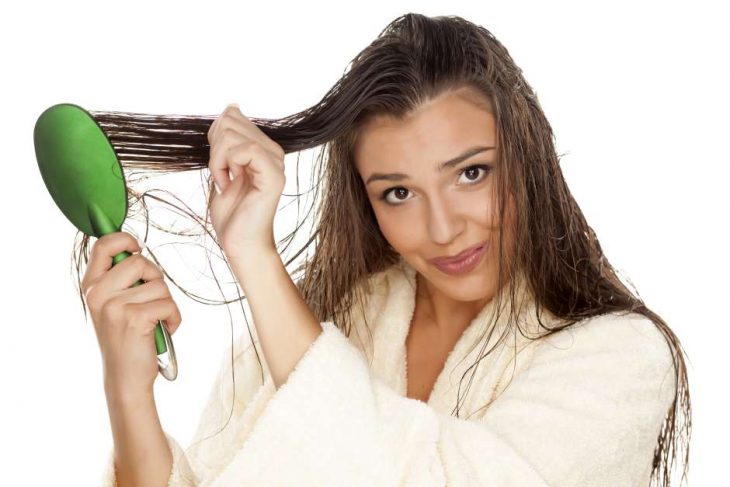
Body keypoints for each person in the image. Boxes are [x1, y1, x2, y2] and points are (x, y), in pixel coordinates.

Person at [79, 13, 690, 487]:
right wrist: (127, 389)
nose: (444, 227)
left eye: (472, 174)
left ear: (528, 158)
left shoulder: (622, 357)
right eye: (398, 192)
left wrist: (258, 262)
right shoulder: (310, 331)